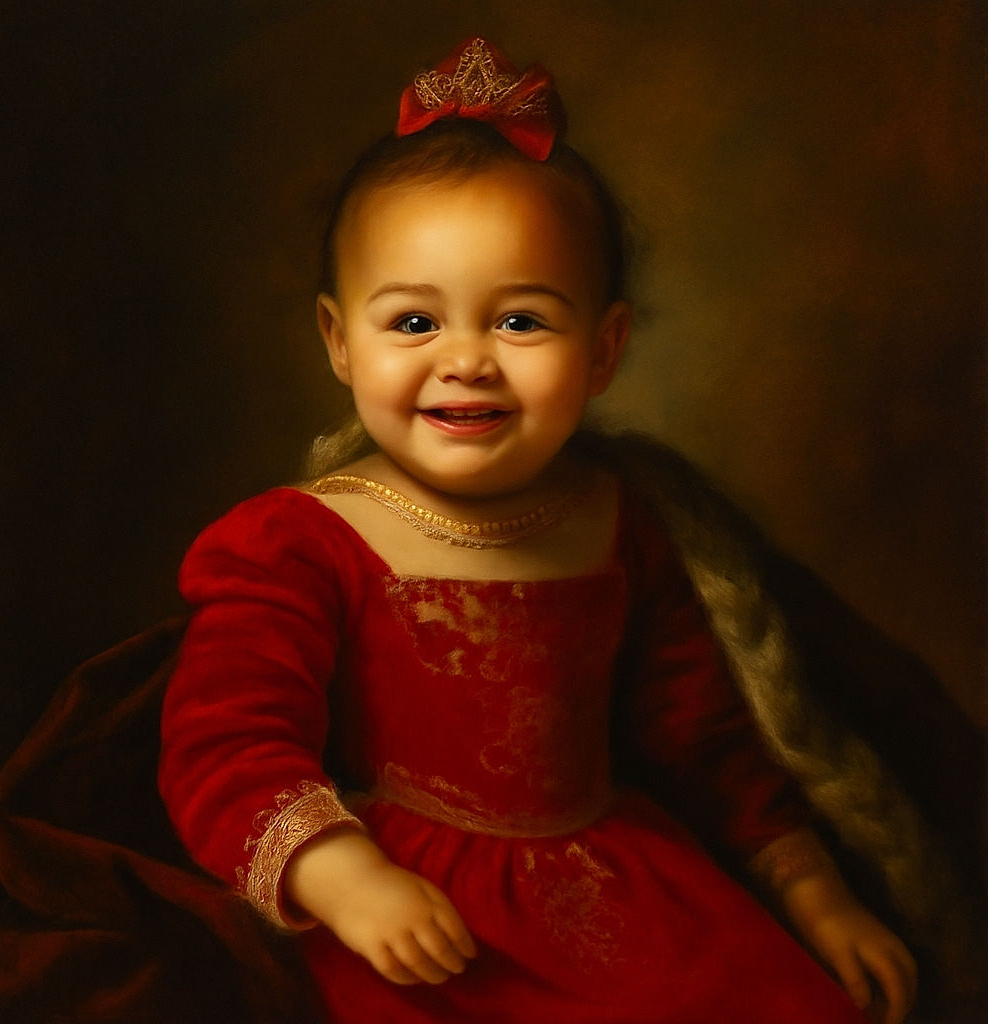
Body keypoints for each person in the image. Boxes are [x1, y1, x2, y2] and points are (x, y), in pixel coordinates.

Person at [158, 37, 918, 1023]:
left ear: (604, 348)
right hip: (419, 907)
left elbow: (706, 745)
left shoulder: (620, 521)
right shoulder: (300, 539)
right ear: (340, 341)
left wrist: (818, 898)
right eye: (414, 323)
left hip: (628, 888)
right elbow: (226, 744)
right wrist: (346, 879)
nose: (466, 361)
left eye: (520, 322)